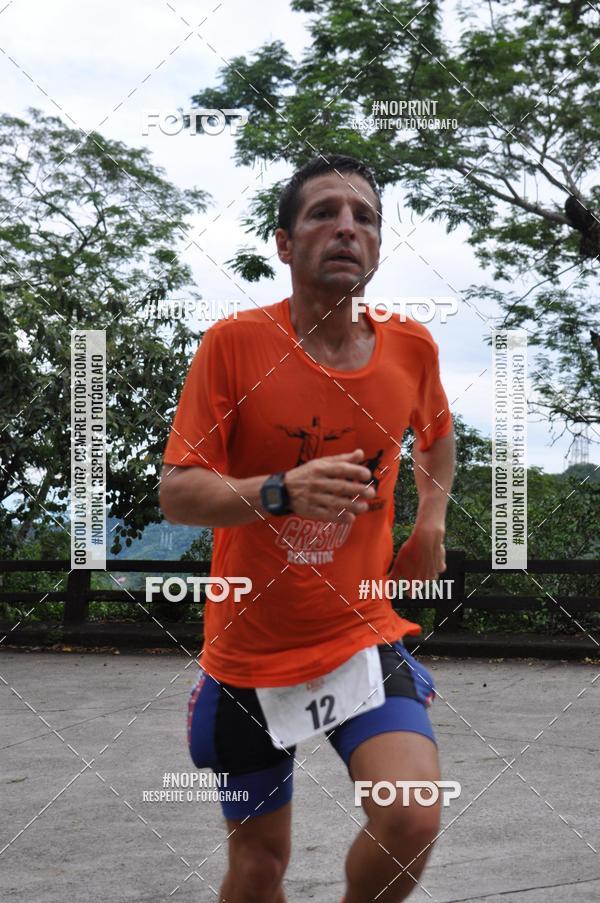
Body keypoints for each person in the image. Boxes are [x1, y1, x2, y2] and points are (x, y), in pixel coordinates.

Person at [160, 154, 456, 903]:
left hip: (359, 633)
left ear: (380, 246)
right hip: (249, 655)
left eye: (365, 217)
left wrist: (430, 520)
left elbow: (438, 436)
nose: (347, 228)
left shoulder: (412, 347)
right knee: (260, 866)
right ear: (285, 243)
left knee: (414, 814)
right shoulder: (234, 345)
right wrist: (279, 490)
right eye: (324, 212)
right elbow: (178, 492)